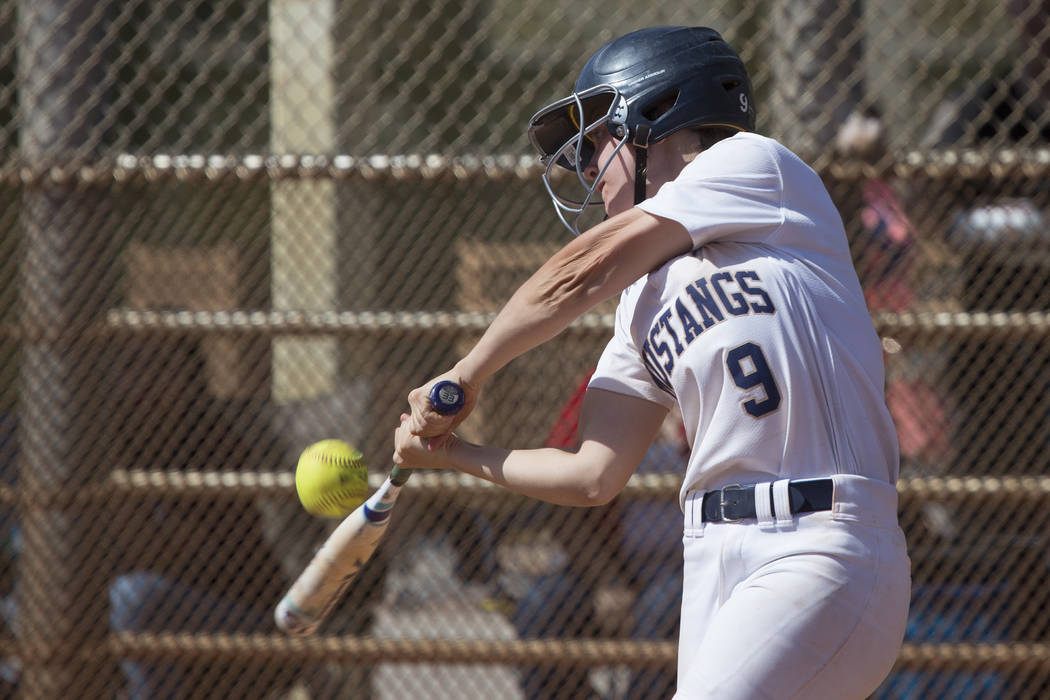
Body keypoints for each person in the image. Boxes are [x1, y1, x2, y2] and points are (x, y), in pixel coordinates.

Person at [394, 26, 911, 699]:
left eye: (594, 143)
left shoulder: (757, 169)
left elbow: (578, 274)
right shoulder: (639, 302)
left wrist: (466, 374)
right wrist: (456, 453)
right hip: (713, 560)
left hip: (818, 545)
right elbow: (590, 475)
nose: (585, 170)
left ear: (656, 115)